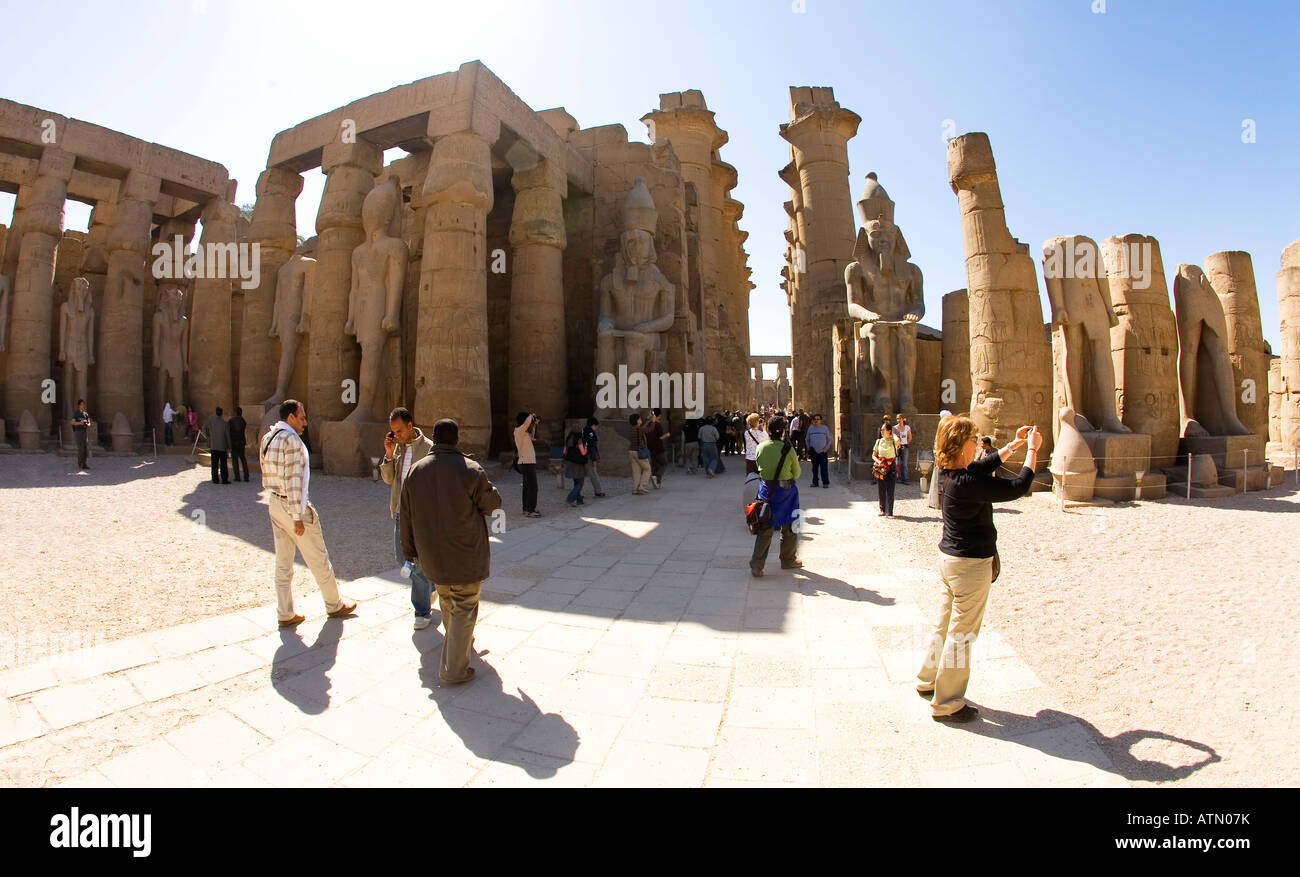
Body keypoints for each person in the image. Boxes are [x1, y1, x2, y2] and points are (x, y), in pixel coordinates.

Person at [917, 416, 1040, 722]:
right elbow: (1018, 486)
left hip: (950, 561)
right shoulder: (968, 482)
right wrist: (1035, 451)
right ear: (962, 445)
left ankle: (928, 679)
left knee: (943, 626)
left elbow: (983, 466)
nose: (978, 442)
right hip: (970, 566)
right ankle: (947, 703)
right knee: (962, 635)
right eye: (974, 438)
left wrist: (1014, 445)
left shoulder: (952, 472)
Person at [400, 418, 503, 686]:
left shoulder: (415, 471)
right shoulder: (470, 469)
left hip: (432, 556)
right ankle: (453, 670)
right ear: (457, 440)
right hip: (465, 554)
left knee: (447, 598)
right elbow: (492, 505)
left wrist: (409, 551)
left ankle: (460, 642)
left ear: (435, 437)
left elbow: (406, 517)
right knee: (464, 605)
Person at [259, 399, 357, 628]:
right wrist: (297, 517)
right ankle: (334, 604)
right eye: (302, 417)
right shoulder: (291, 440)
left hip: (274, 502)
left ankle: (285, 612)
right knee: (318, 557)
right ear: (291, 417)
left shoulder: (268, 437)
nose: (305, 422)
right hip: (293, 506)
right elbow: (293, 481)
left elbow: (267, 472)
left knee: (283, 563)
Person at [379, 407, 436, 629]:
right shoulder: (398, 448)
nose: (397, 435)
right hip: (399, 511)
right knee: (401, 557)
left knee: (418, 563)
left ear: (410, 426)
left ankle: (421, 611)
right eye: (393, 432)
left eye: (399, 431)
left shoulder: (429, 448)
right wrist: (390, 454)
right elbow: (388, 479)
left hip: (420, 514)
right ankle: (431, 588)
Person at [750, 416, 801, 576]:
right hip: (786, 492)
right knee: (790, 527)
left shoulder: (761, 447)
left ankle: (757, 565)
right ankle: (788, 559)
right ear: (783, 431)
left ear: (768, 430)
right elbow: (797, 473)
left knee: (765, 527)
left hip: (766, 491)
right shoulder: (788, 449)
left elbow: (759, 467)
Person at [513, 412, 541, 517]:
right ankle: (530, 510)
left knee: (527, 487)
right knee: (533, 487)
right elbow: (527, 423)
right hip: (526, 463)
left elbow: (534, 437)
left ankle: (526, 509)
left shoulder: (523, 432)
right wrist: (532, 415)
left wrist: (535, 425)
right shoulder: (519, 430)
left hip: (527, 462)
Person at [872, 424, 898, 517]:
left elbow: (898, 441)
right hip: (881, 467)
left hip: (891, 468)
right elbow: (874, 455)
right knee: (881, 489)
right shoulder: (879, 441)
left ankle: (889, 512)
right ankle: (882, 509)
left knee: (890, 490)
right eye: (881, 429)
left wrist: (893, 434)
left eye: (883, 429)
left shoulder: (893, 441)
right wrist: (878, 461)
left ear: (889, 431)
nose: (881, 431)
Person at [203, 407, 231, 485]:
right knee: (223, 464)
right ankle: (224, 479)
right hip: (222, 447)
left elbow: (204, 427)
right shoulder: (225, 423)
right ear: (221, 413)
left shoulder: (210, 421)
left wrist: (208, 437)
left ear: (216, 412)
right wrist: (229, 446)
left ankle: (215, 479)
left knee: (214, 464)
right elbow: (227, 436)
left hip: (213, 446)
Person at [644, 408, 671, 488]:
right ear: (659, 416)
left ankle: (657, 483)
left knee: (655, 465)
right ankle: (657, 477)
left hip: (650, 448)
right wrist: (667, 435)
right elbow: (660, 437)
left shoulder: (648, 424)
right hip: (658, 448)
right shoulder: (657, 425)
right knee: (664, 463)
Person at [563, 425, 588, 507]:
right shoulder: (579, 439)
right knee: (580, 483)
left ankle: (579, 500)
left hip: (570, 462)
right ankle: (570, 498)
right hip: (578, 464)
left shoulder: (568, 438)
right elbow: (583, 452)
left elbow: (564, 451)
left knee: (576, 482)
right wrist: (586, 448)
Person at [582, 417, 607, 497]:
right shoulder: (591, 433)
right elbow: (592, 447)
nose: (596, 428)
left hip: (581, 455)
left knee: (580, 474)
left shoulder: (583, 430)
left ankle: (578, 492)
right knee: (593, 474)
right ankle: (598, 491)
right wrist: (594, 459)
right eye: (595, 426)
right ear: (593, 425)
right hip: (589, 456)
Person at [628, 412, 652, 494]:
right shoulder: (639, 429)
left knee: (636, 471)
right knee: (647, 469)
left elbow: (642, 427)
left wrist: (647, 419)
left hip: (631, 451)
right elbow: (650, 429)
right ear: (637, 421)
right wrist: (654, 421)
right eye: (640, 419)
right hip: (639, 452)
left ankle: (635, 489)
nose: (641, 420)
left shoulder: (632, 428)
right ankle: (641, 486)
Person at [805, 413, 831, 488]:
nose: (816, 420)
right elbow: (807, 439)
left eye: (818, 419)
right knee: (814, 469)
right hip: (814, 452)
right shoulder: (811, 428)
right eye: (815, 419)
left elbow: (829, 439)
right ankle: (815, 482)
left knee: (824, 468)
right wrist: (808, 447)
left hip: (823, 452)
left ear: (821, 420)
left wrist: (826, 448)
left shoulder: (825, 428)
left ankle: (825, 483)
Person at [228, 407, 249, 482]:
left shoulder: (231, 421)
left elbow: (229, 431)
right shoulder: (243, 420)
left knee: (235, 460)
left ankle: (237, 477)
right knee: (243, 459)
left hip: (234, 442)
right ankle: (246, 476)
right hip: (241, 442)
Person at [71, 400, 91, 471]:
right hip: (78, 432)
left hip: (84, 432)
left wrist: (86, 423)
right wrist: (80, 423)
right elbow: (72, 422)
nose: (83, 406)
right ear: (79, 405)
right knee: (81, 448)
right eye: (81, 404)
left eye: (83, 404)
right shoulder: (76, 413)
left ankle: (84, 464)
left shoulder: (85, 414)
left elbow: (89, 423)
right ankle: (80, 464)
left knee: (85, 449)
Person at [893, 414, 913, 485]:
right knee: (897, 463)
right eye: (897, 418)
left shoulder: (907, 427)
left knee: (904, 464)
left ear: (903, 419)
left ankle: (906, 479)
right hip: (897, 447)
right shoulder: (895, 428)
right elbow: (893, 438)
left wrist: (906, 442)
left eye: (900, 418)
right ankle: (898, 478)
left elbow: (910, 437)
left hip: (905, 447)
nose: (898, 420)